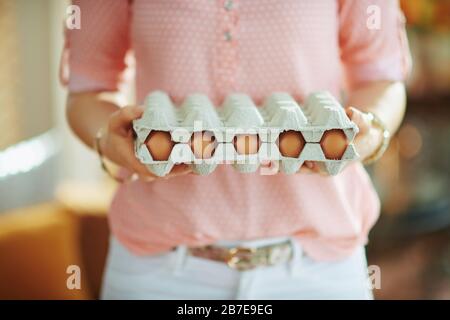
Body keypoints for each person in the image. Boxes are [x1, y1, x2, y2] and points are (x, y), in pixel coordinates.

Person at [63, 0, 410, 299]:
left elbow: (381, 78)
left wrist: (371, 133)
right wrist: (107, 139)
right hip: (158, 270)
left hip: (318, 268)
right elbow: (88, 88)